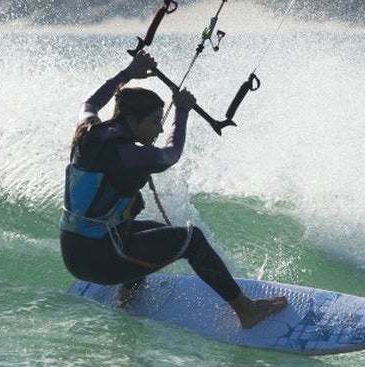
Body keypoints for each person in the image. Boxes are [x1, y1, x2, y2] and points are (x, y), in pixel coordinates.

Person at [60, 50, 287, 329]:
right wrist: (181, 110)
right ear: (131, 121)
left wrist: (128, 73)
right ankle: (246, 310)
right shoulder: (127, 155)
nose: (158, 129)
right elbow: (171, 154)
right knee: (192, 241)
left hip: (74, 252)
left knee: (144, 230)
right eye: (155, 122)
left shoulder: (88, 133)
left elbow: (90, 102)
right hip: (102, 261)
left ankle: (126, 297)